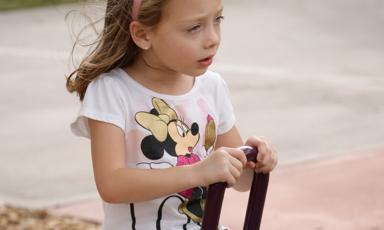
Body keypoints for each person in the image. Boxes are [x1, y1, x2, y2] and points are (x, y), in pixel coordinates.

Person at [66, 0, 278, 229]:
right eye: (194, 28)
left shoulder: (212, 87)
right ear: (143, 35)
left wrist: (254, 161)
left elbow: (241, 181)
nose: (213, 38)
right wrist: (197, 173)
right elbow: (112, 185)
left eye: (217, 20)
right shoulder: (112, 90)